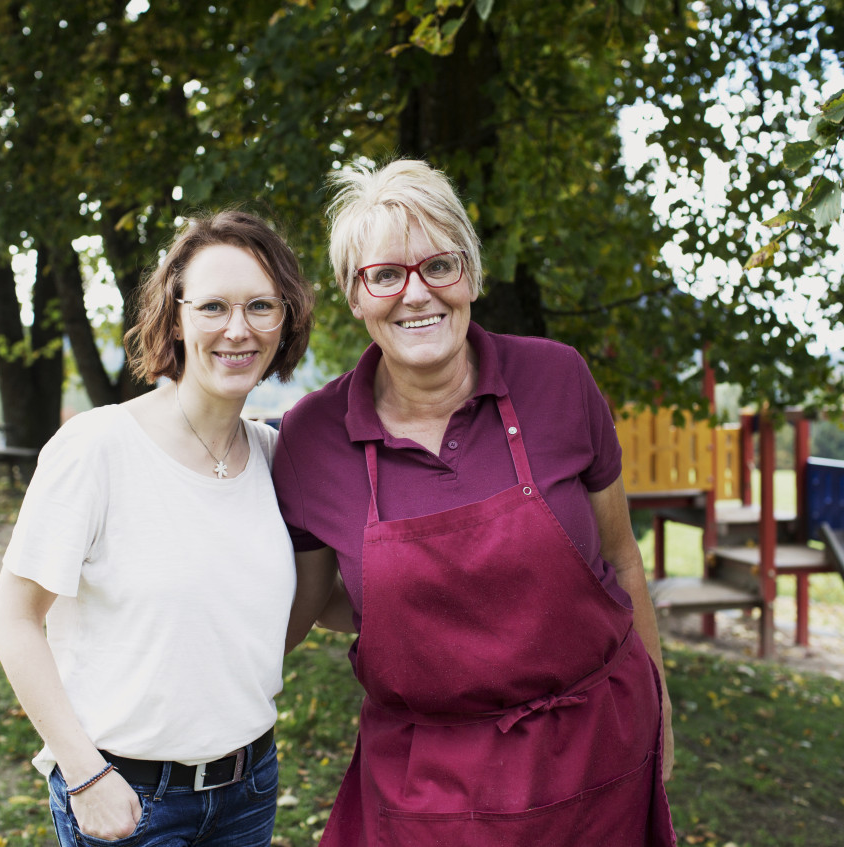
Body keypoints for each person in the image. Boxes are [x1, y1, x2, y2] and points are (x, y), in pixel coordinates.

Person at [275, 160, 677, 846]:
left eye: (440, 264)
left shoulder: (559, 379)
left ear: (473, 273)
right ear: (353, 293)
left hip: (598, 759)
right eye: (385, 274)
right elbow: (303, 607)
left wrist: (661, 710)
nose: (416, 293)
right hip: (427, 791)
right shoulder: (312, 438)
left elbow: (620, 556)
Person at [0, 210, 315, 847]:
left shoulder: (277, 458)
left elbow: (292, 611)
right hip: (129, 795)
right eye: (214, 306)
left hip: (248, 788)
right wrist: (85, 776)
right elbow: (13, 619)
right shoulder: (99, 446)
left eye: (261, 306)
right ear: (175, 315)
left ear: (287, 317)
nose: (238, 329)